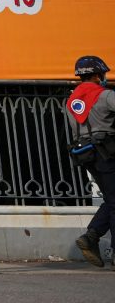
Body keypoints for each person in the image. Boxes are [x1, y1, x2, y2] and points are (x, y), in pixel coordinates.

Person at [65, 55, 115, 270]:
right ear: (97, 75)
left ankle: (92, 236)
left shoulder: (71, 100)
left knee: (112, 199)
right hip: (106, 152)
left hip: (85, 153)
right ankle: (94, 239)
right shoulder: (105, 95)